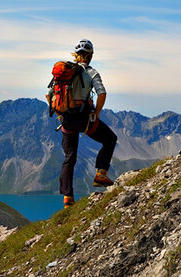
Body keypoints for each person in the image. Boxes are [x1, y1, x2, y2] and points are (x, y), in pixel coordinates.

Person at [46, 39, 117, 208]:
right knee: (110, 139)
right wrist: (97, 114)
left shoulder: (64, 72)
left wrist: (59, 114)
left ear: (76, 55)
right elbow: (102, 93)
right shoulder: (92, 72)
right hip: (84, 119)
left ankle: (67, 198)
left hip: (67, 121)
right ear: (90, 55)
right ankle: (100, 173)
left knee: (69, 157)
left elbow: (49, 95)